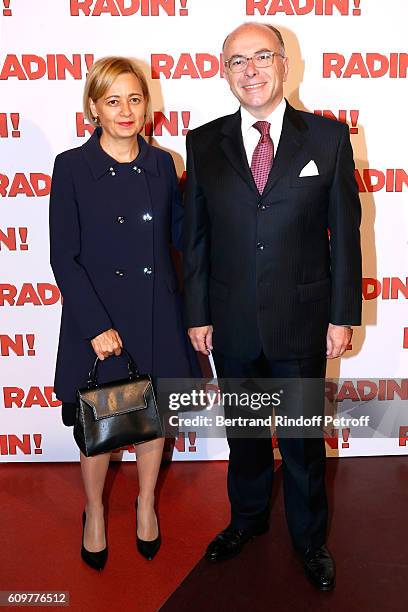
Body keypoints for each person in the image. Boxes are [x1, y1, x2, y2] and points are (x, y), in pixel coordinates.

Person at [183, 23, 362, 591]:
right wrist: (197, 312)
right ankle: (248, 520)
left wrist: (342, 315)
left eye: (262, 57)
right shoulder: (203, 143)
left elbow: (346, 236)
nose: (252, 70)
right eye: (237, 61)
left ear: (285, 64)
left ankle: (310, 541)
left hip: (304, 322)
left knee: (305, 442)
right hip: (231, 322)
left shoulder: (329, 139)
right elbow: (197, 239)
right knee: (247, 435)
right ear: (222, 71)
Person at [49, 56, 197, 570]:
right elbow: (62, 255)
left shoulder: (161, 163)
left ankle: (146, 503)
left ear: (147, 104)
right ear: (94, 107)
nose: (126, 110)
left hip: (157, 312)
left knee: (153, 421)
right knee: (99, 425)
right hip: (101, 320)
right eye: (113, 100)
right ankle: (93, 511)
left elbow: (181, 237)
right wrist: (95, 326)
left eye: (135, 98)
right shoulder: (71, 167)